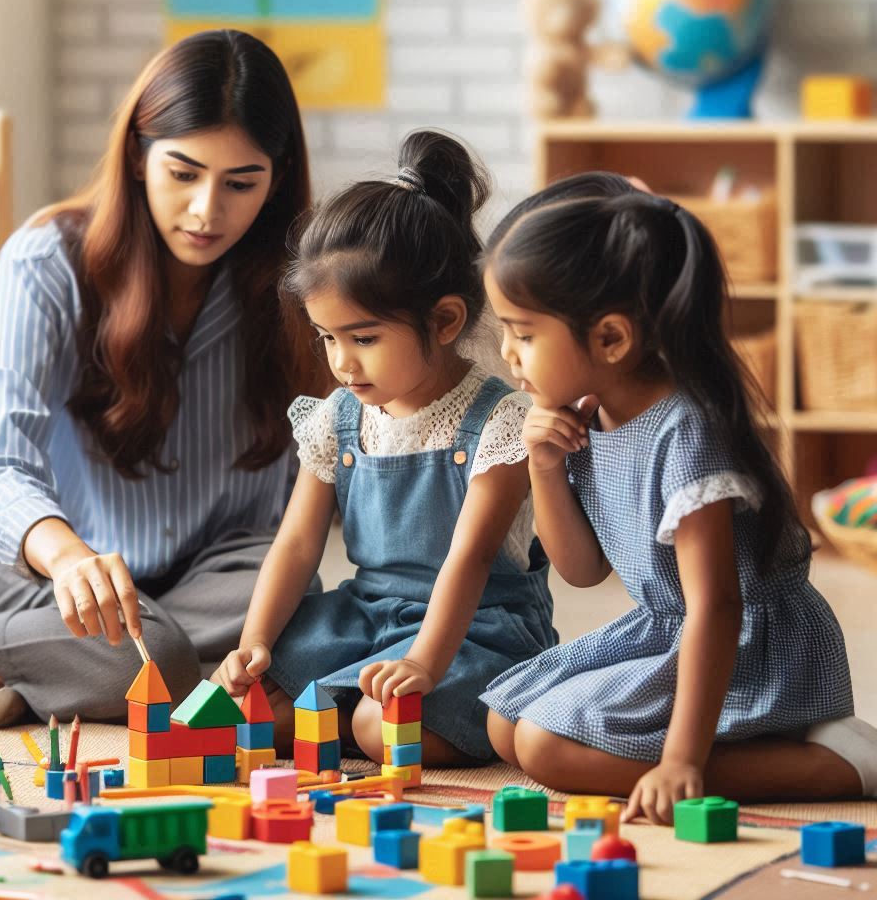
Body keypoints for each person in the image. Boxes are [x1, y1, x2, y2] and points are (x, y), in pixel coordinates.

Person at [0, 29, 325, 727]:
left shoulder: (297, 286)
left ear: (278, 177)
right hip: (27, 558)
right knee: (151, 661)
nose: (206, 211)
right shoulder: (47, 261)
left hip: (201, 569)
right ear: (139, 156)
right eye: (184, 173)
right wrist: (67, 557)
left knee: (308, 622)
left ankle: (36, 676)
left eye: (241, 183)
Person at [481, 171, 877, 822]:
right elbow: (582, 571)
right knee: (506, 724)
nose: (508, 353)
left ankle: (833, 764)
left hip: (747, 647)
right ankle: (760, 746)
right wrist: (546, 467)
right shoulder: (589, 412)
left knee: (545, 746)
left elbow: (717, 607)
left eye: (523, 333)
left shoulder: (686, 434)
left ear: (610, 338)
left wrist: (682, 759)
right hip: (668, 629)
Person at [212, 130, 557, 765]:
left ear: (446, 321)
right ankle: (342, 698)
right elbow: (295, 542)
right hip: (366, 615)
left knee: (381, 728)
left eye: (363, 338)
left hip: (474, 629)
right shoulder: (338, 418)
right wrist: (255, 639)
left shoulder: (498, 423)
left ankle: (370, 708)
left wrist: (425, 660)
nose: (341, 363)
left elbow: (470, 561)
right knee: (248, 708)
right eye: (326, 338)